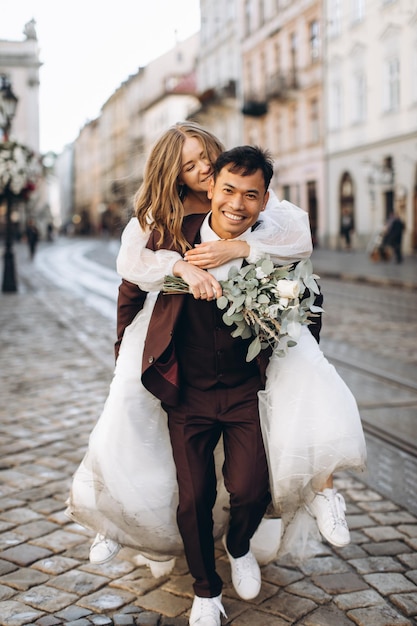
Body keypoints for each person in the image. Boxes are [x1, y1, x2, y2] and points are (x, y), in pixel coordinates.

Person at [68, 146, 366, 626]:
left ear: (264, 199)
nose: (236, 201)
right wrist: (132, 341)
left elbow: (307, 278)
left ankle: (241, 542)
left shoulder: (272, 236)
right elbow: (130, 275)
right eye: (225, 187)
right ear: (209, 189)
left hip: (247, 390)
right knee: (193, 497)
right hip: (186, 391)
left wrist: (243, 248)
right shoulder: (168, 233)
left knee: (250, 489)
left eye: (250, 194)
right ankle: (205, 591)